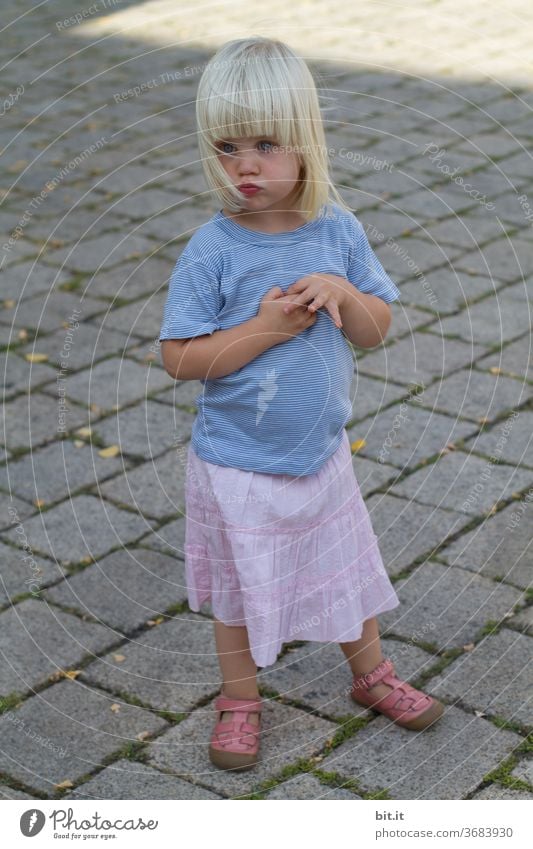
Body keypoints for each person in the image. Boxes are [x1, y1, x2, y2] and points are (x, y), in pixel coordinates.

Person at [159, 36, 444, 772]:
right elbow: (178, 358)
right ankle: (239, 698)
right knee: (237, 589)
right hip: (236, 466)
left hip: (320, 456)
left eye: (265, 144)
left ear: (306, 142)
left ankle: (370, 673)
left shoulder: (339, 232)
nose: (245, 165)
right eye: (226, 146)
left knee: (342, 564)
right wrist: (259, 329)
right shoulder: (210, 250)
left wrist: (345, 294)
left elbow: (376, 331)